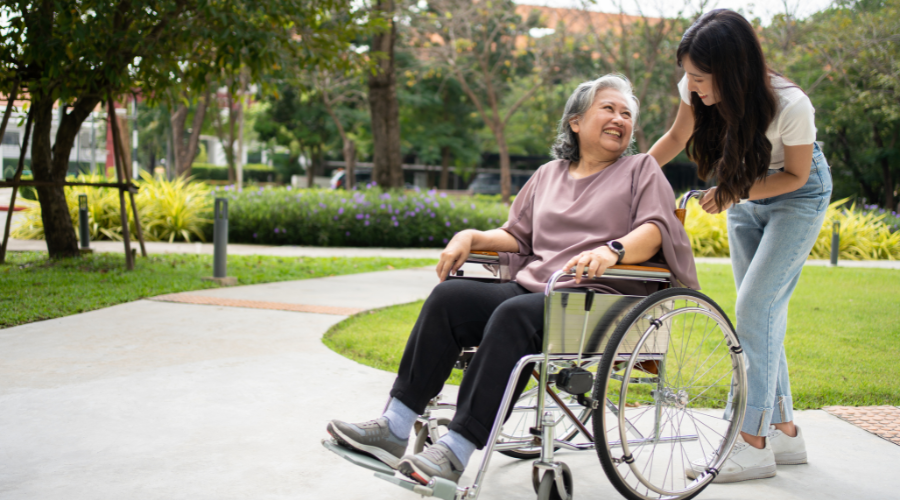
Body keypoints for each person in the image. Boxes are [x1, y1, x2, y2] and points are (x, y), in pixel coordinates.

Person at [326, 74, 699, 486]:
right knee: (449, 299)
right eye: (608, 108)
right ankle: (395, 427)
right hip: (536, 290)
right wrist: (471, 236)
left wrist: (611, 250)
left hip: (600, 299)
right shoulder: (548, 174)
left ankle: (455, 450)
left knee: (513, 314)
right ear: (575, 121)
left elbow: (654, 230)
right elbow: (517, 235)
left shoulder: (639, 169)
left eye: (627, 113)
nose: (619, 119)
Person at [648, 9, 832, 483]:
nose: (693, 86)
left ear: (732, 71)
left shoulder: (792, 105)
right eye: (687, 75)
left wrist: (733, 191)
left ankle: (751, 444)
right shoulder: (694, 87)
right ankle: (785, 430)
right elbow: (676, 136)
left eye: (701, 78)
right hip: (743, 190)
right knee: (762, 314)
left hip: (797, 196)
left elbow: (794, 175)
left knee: (754, 308)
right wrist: (629, 175)